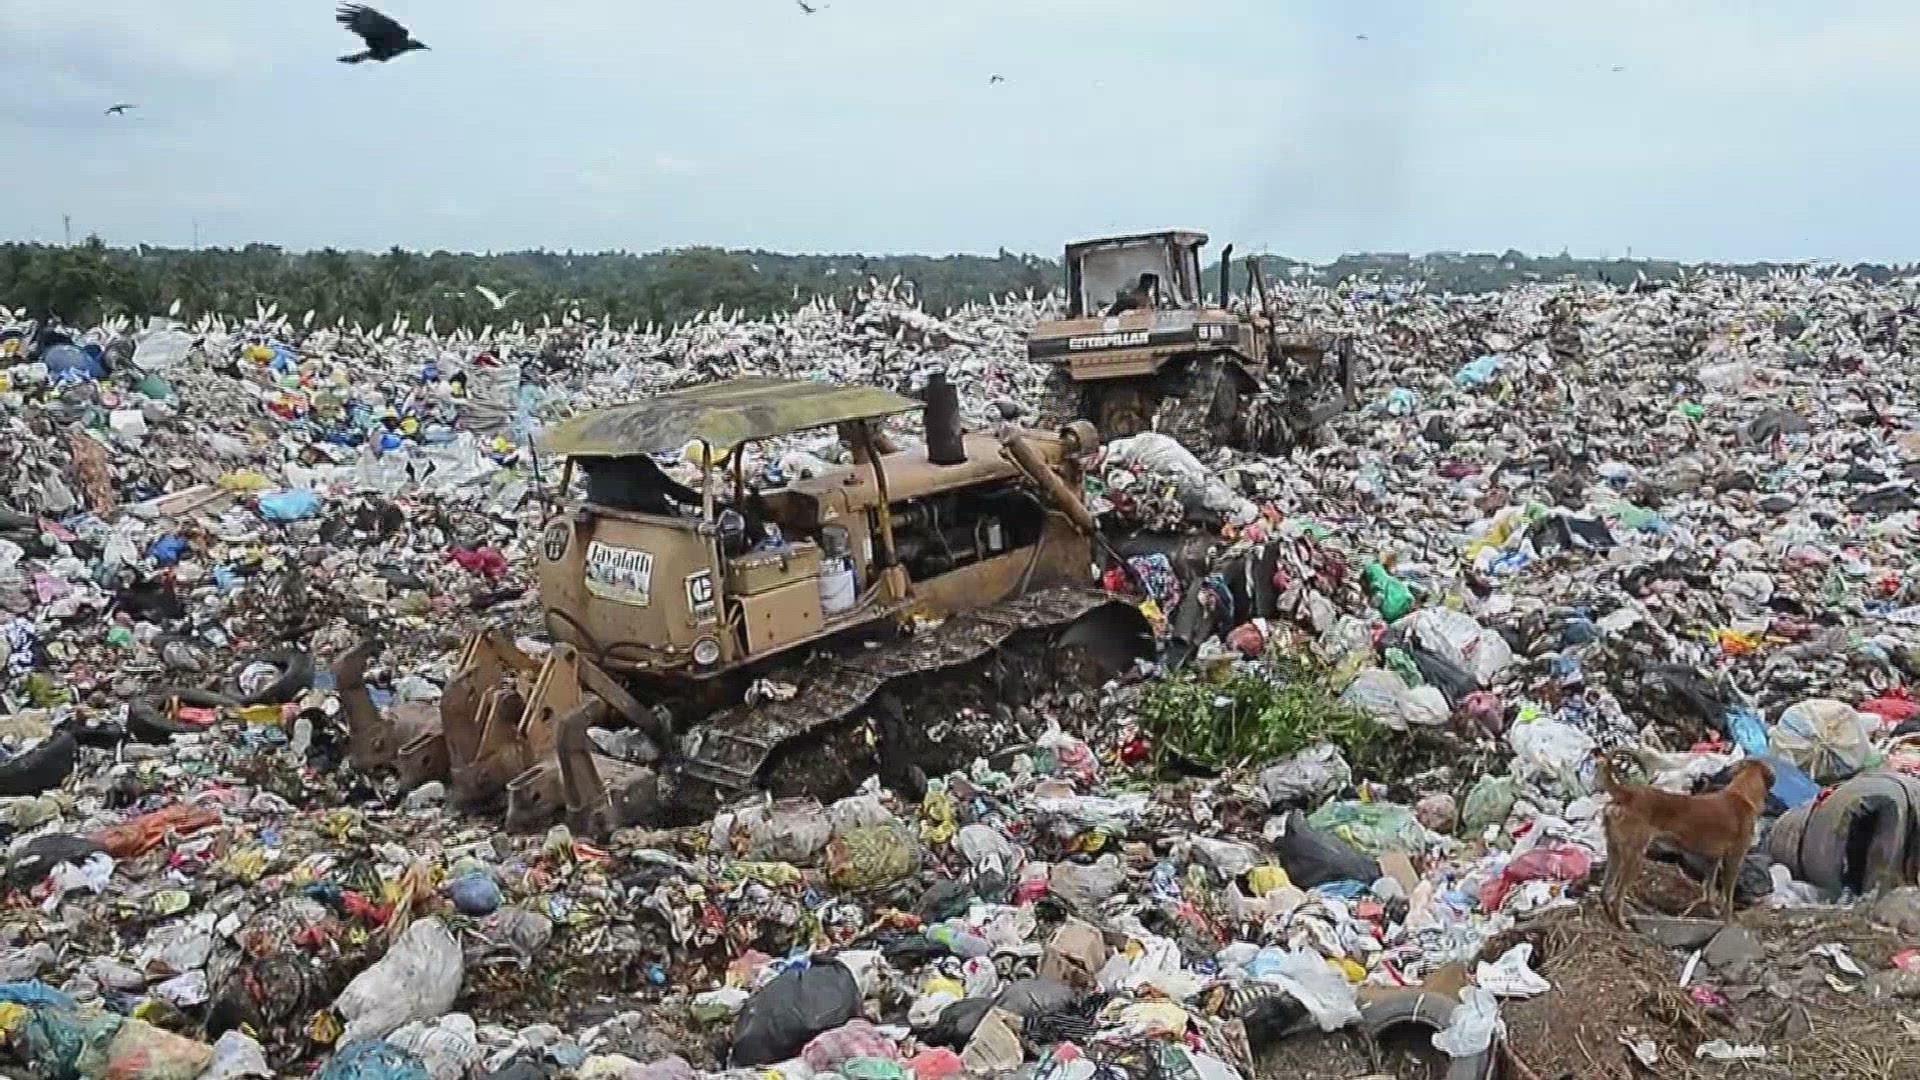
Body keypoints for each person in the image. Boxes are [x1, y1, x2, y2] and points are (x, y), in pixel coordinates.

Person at [580, 454, 703, 515]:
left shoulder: (596, 470)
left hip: (606, 524)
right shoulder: (638, 461)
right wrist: (705, 502)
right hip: (650, 523)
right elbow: (673, 490)